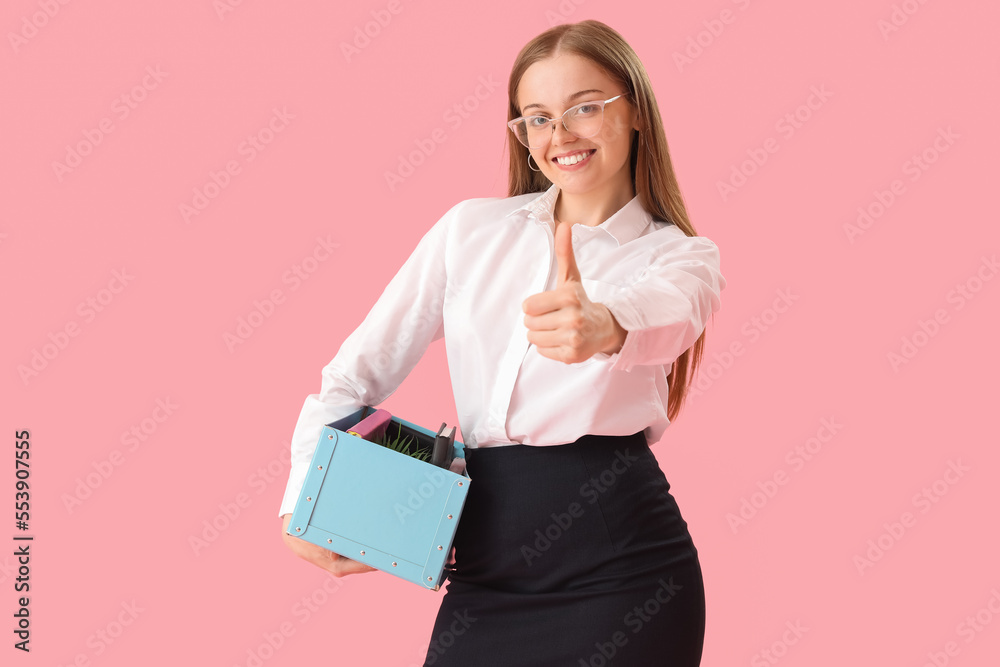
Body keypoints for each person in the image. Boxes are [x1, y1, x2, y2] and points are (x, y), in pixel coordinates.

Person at [279, 19, 726, 666]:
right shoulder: (470, 231)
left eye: (585, 108)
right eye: (537, 117)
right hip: (485, 571)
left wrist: (604, 323)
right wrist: (303, 498)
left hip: (625, 577)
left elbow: (670, 314)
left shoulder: (681, 257)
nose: (560, 135)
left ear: (634, 110)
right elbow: (351, 378)